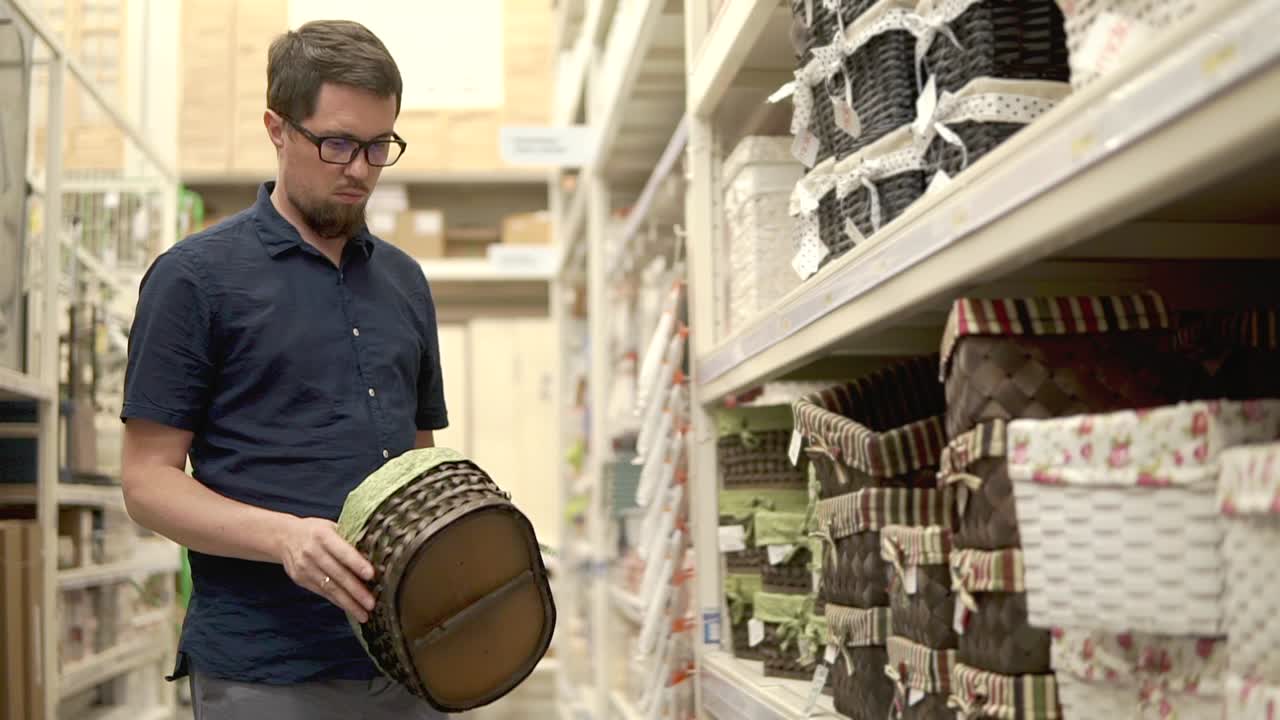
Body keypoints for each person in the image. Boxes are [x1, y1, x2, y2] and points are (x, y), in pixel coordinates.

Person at [120, 20, 448, 719]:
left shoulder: (406, 282)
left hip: (409, 661)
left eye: (378, 146)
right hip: (264, 673)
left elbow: (420, 460)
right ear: (277, 127)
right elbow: (146, 483)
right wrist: (286, 538)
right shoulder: (194, 279)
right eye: (336, 143)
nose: (360, 168)